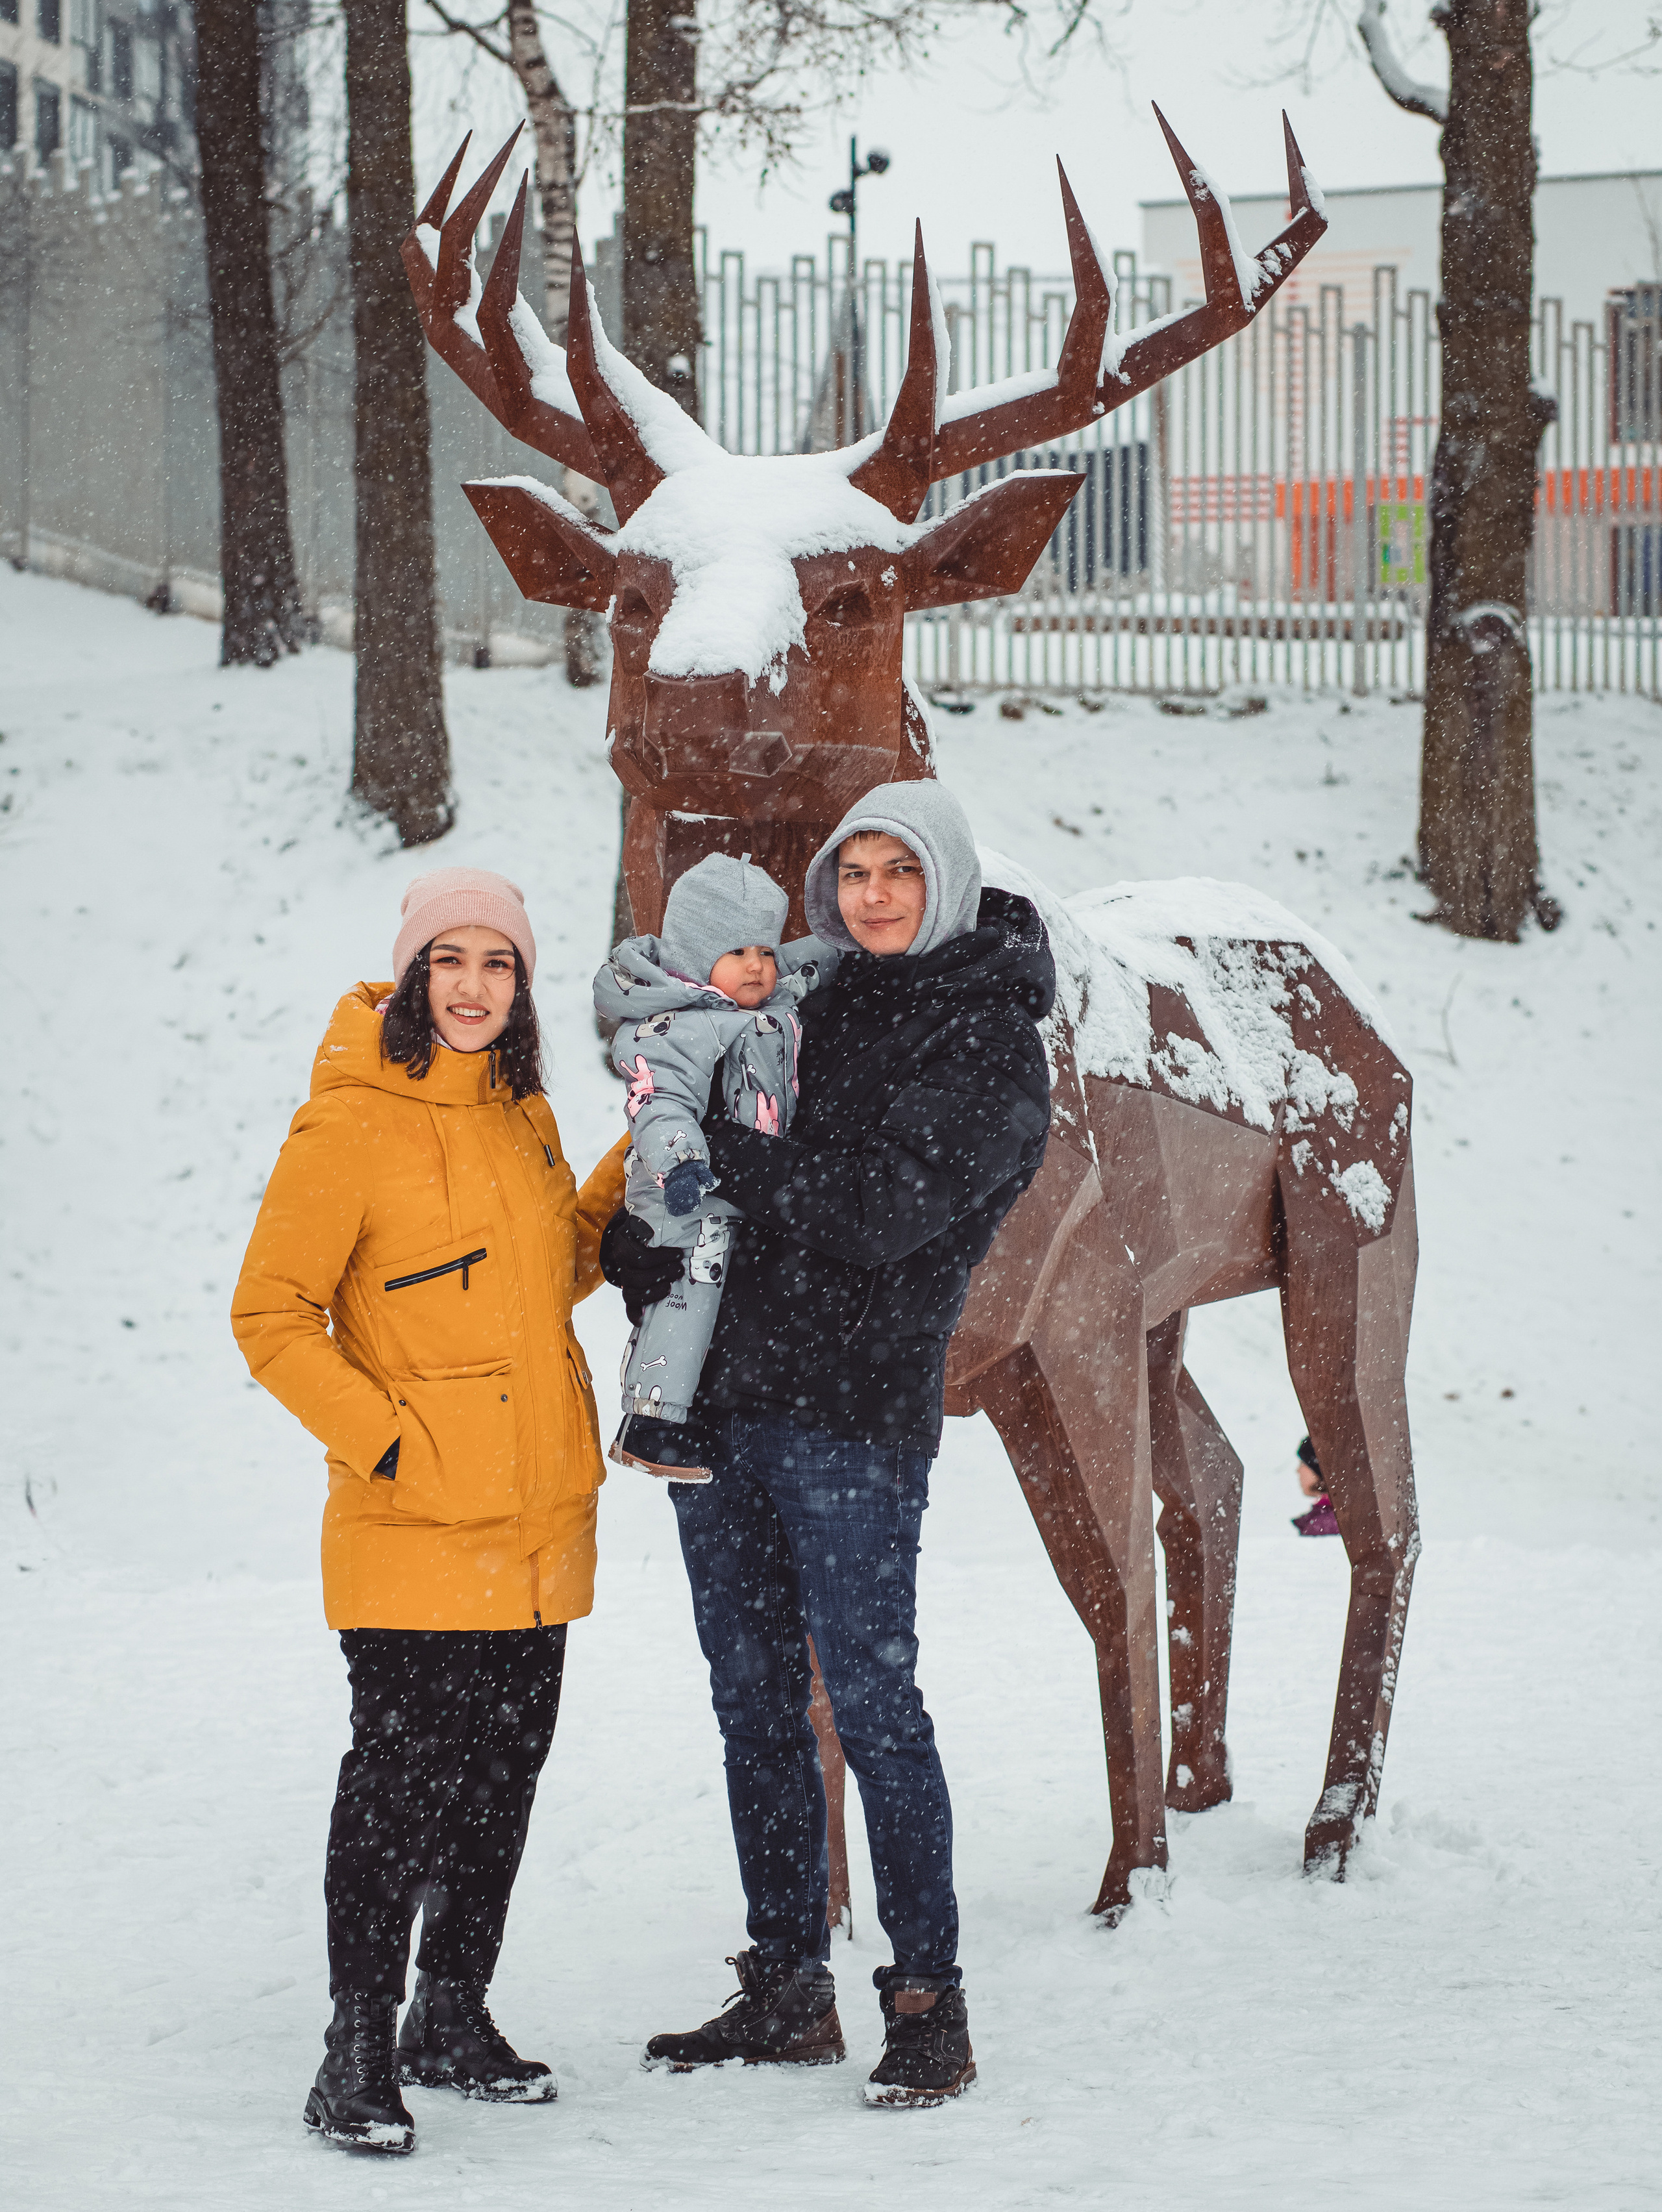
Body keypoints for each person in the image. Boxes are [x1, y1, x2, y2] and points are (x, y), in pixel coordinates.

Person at [604, 782, 1054, 2107]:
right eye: (850, 872)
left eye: (896, 872)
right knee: (750, 1700)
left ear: (946, 880)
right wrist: (642, 1243)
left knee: (868, 1701)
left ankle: (927, 2000)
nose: (868, 895)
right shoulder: (806, 998)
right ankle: (787, 1983)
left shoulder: (986, 1036)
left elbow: (873, 1212)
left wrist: (715, 1173)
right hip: (723, 1406)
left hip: (851, 1415)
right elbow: (689, 1145)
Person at [231, 867, 626, 2156]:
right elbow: (270, 1313)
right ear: (411, 975)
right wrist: (389, 1440)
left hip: (534, 1517)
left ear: (518, 985)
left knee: (498, 1781)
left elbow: (550, 1269)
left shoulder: (522, 1110)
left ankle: (451, 2012)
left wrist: (634, 1160)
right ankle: (357, 2038)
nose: (469, 985)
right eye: (446, 960)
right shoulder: (346, 1122)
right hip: (411, 1526)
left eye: (495, 963)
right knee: (397, 1786)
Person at [593, 851, 836, 1482]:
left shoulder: (770, 1004)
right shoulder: (677, 1027)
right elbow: (660, 1104)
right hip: (681, 1187)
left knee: (728, 1297)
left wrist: (852, 942)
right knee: (689, 1290)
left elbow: (812, 957)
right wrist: (682, 1165)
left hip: (735, 1184)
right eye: (737, 952)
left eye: (763, 947)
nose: (757, 964)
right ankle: (652, 1420)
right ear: (697, 955)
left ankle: (690, 1412)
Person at [1292, 1434, 1340, 1536]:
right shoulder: (1336, 1518)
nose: (1298, 1471)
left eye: (1302, 1463)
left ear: (1322, 1468)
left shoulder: (1326, 1526)